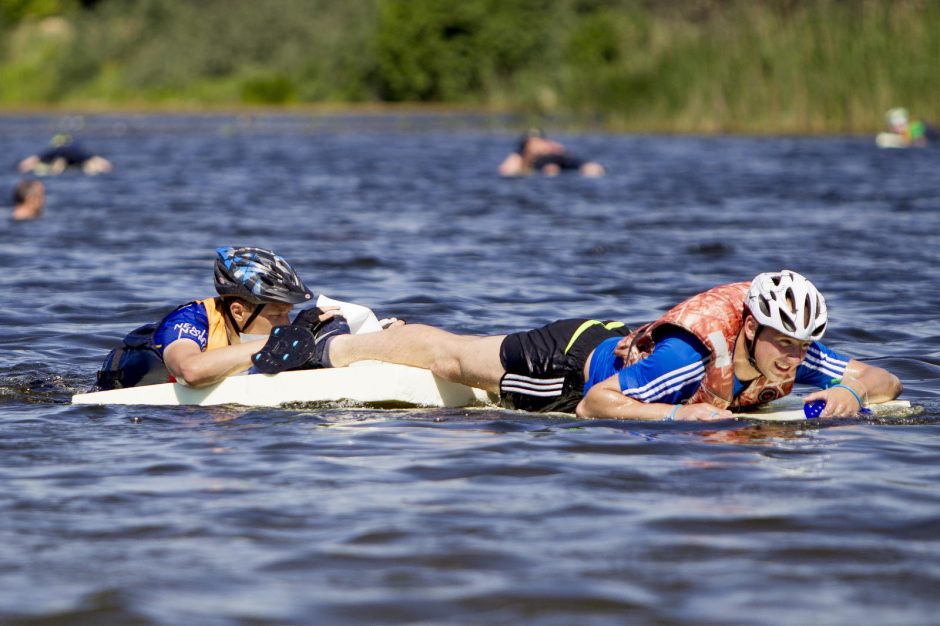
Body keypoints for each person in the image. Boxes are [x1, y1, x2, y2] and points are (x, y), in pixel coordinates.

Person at [254, 270, 902, 421]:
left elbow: (882, 376)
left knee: (453, 370)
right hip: (564, 368)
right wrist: (682, 414)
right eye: (782, 342)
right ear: (751, 329)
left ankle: (372, 330)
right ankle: (334, 339)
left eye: (803, 344)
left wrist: (847, 390)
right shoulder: (690, 357)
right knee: (450, 357)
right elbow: (597, 405)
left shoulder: (789, 351)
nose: (793, 357)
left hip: (614, 343)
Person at [93, 246, 325, 391]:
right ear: (238, 311)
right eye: (276, 314)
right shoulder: (187, 321)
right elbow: (191, 371)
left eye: (289, 313)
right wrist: (279, 342)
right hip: (120, 400)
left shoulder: (246, 327)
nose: (286, 323)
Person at [498, 128, 605, 177]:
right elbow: (506, 170)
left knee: (590, 168)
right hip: (545, 168)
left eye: (538, 141)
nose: (536, 145)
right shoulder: (520, 156)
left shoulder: (555, 151)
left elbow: (569, 159)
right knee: (550, 170)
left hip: (562, 165)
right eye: (531, 143)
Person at [17, 133, 113, 176]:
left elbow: (34, 159)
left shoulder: (57, 150)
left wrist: (23, 166)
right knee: (90, 166)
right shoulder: (76, 149)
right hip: (78, 162)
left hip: (68, 162)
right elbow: (95, 158)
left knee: (57, 165)